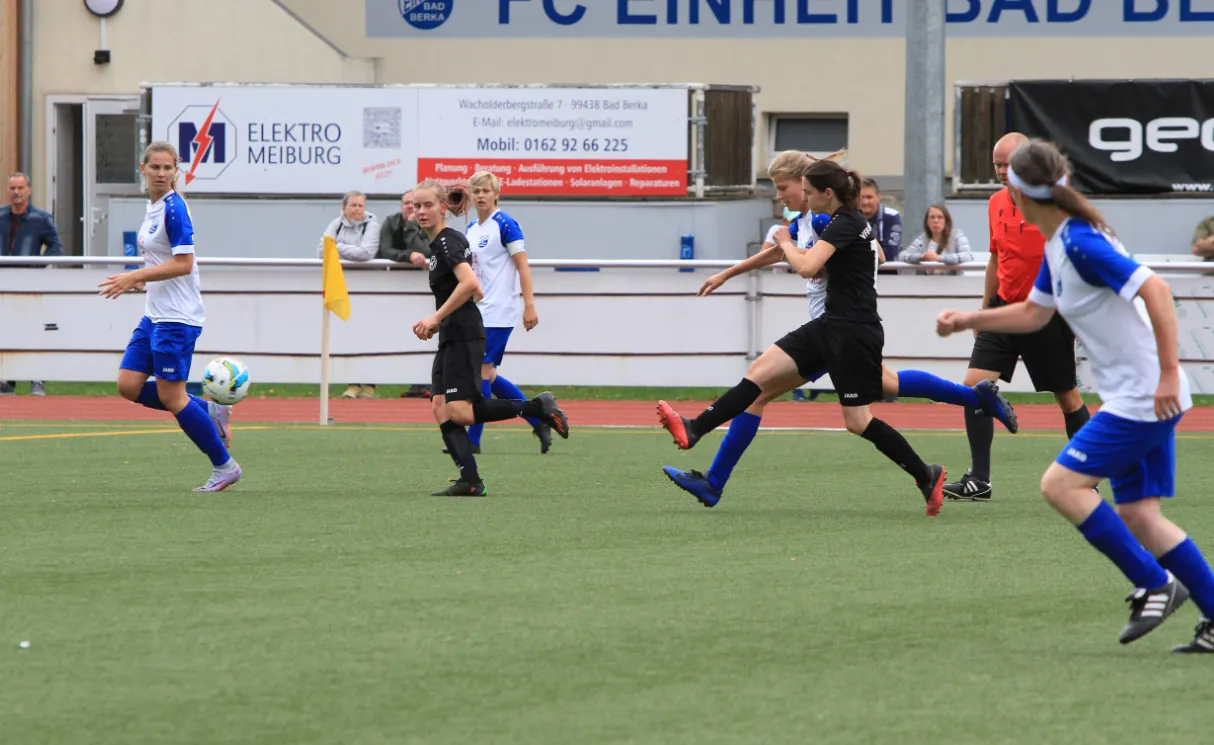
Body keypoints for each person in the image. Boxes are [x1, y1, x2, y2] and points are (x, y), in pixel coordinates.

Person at [936, 138, 1214, 652]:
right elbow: (1034, 313)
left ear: (1019, 193)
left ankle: (1154, 583)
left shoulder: (1081, 243)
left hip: (1144, 397)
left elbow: (1156, 289)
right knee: (1140, 516)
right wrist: (970, 318)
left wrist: (1168, 374)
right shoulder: (1060, 243)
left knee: (1060, 486)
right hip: (1140, 394)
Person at [660, 151, 1014, 509]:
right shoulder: (814, 219)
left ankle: (704, 453)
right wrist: (729, 273)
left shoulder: (828, 220)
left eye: (784, 188)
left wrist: (822, 259)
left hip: (846, 330)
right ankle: (709, 469)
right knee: (843, 392)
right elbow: (785, 253)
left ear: (811, 186)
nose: (780, 196)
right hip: (832, 326)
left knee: (854, 407)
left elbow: (862, 255)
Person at [944, 132, 1091, 503]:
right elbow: (996, 259)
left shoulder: (1057, 202)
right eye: (996, 164)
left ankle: (1087, 476)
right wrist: (984, 310)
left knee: (1068, 398)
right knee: (974, 388)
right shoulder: (995, 202)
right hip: (1003, 309)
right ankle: (979, 480)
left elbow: (1075, 258)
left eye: (1007, 164)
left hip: (1046, 313)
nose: (1001, 171)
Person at [410, 179, 569, 497]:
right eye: (417, 205)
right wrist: (442, 321)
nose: (422, 211)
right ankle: (470, 480)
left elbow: (469, 284)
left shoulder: (448, 240)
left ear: (443, 207)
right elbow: (476, 290)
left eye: (428, 205)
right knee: (440, 406)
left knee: (461, 411)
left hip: (465, 335)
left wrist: (437, 317)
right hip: (453, 333)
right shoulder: (441, 243)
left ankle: (537, 408)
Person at [97, 141, 240, 493]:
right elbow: (159, 259)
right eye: (155, 167)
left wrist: (135, 276)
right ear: (143, 169)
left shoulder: (174, 208)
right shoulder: (153, 206)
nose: (161, 174)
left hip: (177, 318)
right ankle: (210, 411)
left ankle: (225, 467)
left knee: (172, 398)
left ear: (176, 171)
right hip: (155, 315)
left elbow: (183, 264)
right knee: (128, 386)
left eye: (167, 168)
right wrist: (141, 279)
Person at [460, 170, 552, 455]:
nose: (481, 196)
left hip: (499, 310)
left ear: (496, 194)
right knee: (488, 375)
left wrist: (529, 304)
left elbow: (523, 266)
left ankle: (473, 441)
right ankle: (538, 418)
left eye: (486, 191)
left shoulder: (506, 224)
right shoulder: (472, 228)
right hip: (478, 310)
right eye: (476, 191)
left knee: (480, 373)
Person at [1, 172, 64, 396]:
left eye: (20, 188)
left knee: (34, 329)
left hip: (30, 283)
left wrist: (37, 266)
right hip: (4, 282)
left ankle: (37, 378)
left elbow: (56, 247)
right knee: (5, 328)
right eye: (12, 188)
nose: (16, 192)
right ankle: (6, 379)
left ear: (29, 190)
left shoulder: (40, 218)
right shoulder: (1, 216)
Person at [317, 190, 381, 400]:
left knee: (369, 333)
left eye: (360, 205)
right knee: (346, 332)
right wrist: (341, 249)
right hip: (342, 284)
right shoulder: (335, 224)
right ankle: (352, 384)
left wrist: (337, 247)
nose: (357, 209)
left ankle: (370, 385)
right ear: (343, 208)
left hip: (368, 287)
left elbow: (366, 253)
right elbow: (321, 251)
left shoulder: (372, 225)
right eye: (353, 205)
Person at [901, 204, 974, 272]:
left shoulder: (957, 235)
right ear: (927, 222)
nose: (935, 221)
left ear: (946, 221)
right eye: (932, 217)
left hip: (951, 280)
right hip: (925, 281)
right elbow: (902, 256)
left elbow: (968, 256)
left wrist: (939, 258)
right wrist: (921, 257)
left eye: (940, 217)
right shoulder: (922, 238)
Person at [378, 189, 430, 267]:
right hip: (394, 270)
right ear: (401, 207)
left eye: (414, 203)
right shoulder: (390, 222)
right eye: (406, 203)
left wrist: (411, 223)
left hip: (421, 270)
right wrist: (408, 256)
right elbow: (385, 251)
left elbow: (425, 252)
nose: (410, 206)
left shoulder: (427, 223)